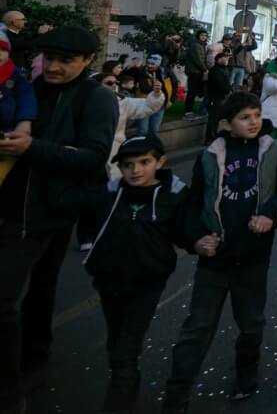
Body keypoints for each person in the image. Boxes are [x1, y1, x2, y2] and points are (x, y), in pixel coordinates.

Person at [0, 26, 118, 413]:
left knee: (14, 298)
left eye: (65, 61)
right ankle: (33, 358)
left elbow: (92, 157)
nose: (53, 67)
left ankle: (11, 387)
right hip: (13, 204)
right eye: (49, 58)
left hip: (45, 214)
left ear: (86, 61)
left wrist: (34, 148)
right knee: (39, 291)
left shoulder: (97, 98)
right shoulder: (27, 87)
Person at [162, 91, 277, 410]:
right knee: (197, 327)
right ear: (227, 123)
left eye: (256, 115)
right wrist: (196, 240)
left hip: (253, 257)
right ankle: (177, 391)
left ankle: (246, 376)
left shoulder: (274, 150)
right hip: (214, 259)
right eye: (244, 117)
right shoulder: (210, 155)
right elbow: (194, 204)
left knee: (251, 325)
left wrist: (272, 217)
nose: (253, 122)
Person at [54, 135, 188, 413]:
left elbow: (188, 229)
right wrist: (69, 162)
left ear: (159, 162)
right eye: (128, 165)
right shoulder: (109, 193)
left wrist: (201, 241)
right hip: (109, 282)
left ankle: (119, 400)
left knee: (125, 348)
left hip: (148, 284)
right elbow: (67, 201)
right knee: (117, 341)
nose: (135, 170)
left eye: (144, 162)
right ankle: (128, 385)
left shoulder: (174, 196)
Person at [99, 72, 165, 181]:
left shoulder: (122, 102)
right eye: (109, 83)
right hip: (89, 150)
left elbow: (147, 106)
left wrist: (156, 94)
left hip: (114, 150)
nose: (114, 85)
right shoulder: (83, 102)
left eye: (116, 82)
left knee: (114, 183)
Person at [0, 37, 36, 187]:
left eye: (3, 50)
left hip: (6, 134)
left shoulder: (15, 75)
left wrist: (25, 123)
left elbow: (26, 99)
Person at [128, 54, 172, 140]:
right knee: (143, 130)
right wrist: (155, 87)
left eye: (152, 64)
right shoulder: (142, 72)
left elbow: (174, 84)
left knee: (154, 130)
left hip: (160, 104)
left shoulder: (164, 72)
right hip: (145, 103)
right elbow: (143, 88)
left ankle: (151, 150)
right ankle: (139, 150)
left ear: (158, 64)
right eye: (148, 63)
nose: (149, 65)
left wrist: (171, 100)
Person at [203, 50, 234, 144]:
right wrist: (228, 90)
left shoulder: (225, 69)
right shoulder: (215, 70)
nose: (225, 59)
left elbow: (227, 83)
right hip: (216, 97)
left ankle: (216, 137)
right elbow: (219, 83)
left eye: (226, 58)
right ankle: (209, 138)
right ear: (217, 60)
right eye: (223, 58)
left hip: (223, 97)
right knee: (214, 118)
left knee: (219, 118)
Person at [182, 29, 209, 116]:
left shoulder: (202, 45)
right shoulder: (195, 45)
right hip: (194, 71)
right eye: (202, 35)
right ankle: (188, 111)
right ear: (198, 36)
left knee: (196, 91)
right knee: (192, 92)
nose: (203, 37)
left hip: (198, 71)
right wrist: (205, 69)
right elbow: (198, 59)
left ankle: (190, 111)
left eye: (205, 36)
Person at [0, 11, 35, 75]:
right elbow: (27, 44)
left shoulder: (18, 35)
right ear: (14, 22)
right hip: (10, 72)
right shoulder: (4, 35)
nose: (25, 22)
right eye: (23, 19)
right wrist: (40, 34)